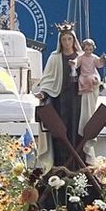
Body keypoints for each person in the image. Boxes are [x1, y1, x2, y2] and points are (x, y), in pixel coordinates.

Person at [33, 23, 82, 166]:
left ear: (73, 40)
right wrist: (43, 92)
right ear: (60, 42)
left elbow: (90, 74)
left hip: (77, 100)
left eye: (69, 39)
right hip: (59, 101)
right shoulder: (55, 58)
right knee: (60, 133)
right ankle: (60, 165)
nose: (67, 43)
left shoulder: (81, 57)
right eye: (64, 40)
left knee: (77, 132)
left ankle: (78, 165)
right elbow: (47, 79)